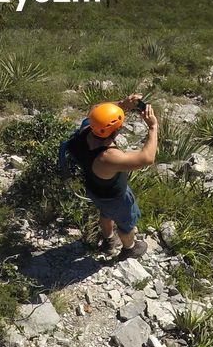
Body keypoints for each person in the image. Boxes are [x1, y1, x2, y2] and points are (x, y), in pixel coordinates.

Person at [65, 93, 158, 260]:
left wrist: (122, 104)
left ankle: (108, 241)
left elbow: (95, 110)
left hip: (95, 190)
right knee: (126, 225)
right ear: (116, 130)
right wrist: (153, 127)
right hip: (116, 198)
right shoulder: (108, 158)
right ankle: (129, 248)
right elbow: (147, 158)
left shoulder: (85, 131)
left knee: (105, 214)